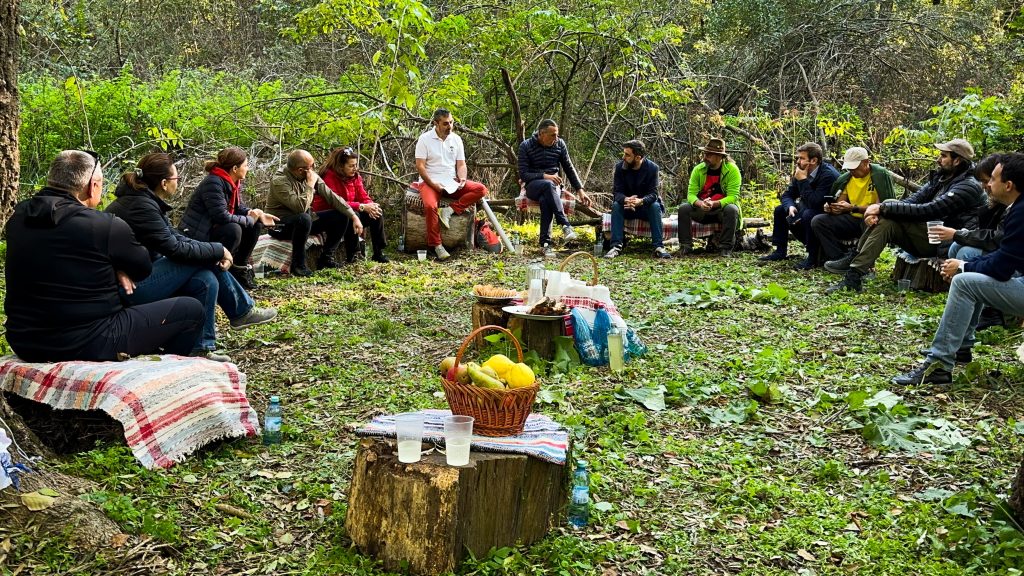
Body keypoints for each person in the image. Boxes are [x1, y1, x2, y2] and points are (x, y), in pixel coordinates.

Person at [4, 150, 204, 362]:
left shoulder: (17, 217)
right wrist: (117, 266)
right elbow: (143, 270)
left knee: (202, 281)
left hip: (24, 341)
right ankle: (163, 372)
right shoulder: (105, 225)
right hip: (91, 340)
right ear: (93, 186)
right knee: (191, 310)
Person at [106, 153, 278, 362]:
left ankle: (201, 347)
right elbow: (175, 248)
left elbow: (174, 236)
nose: (177, 183)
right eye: (176, 179)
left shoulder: (143, 201)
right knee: (205, 260)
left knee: (205, 279)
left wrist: (213, 249)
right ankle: (241, 311)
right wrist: (217, 251)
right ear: (164, 183)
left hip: (142, 275)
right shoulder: (141, 206)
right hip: (130, 288)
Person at [892, 152, 1024, 385]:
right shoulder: (1014, 206)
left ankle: (939, 365)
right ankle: (961, 345)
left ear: (1009, 184)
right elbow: (1002, 252)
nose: (988, 185)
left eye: (992, 179)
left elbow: (1002, 266)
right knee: (965, 258)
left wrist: (963, 267)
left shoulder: (1020, 212)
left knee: (964, 282)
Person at [826, 139, 985, 293]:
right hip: (930, 235)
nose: (938, 159)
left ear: (957, 161)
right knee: (888, 214)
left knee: (888, 212)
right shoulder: (942, 177)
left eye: (943, 156)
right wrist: (881, 209)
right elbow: (913, 200)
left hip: (946, 243)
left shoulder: (968, 186)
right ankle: (855, 272)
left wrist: (881, 208)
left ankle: (855, 265)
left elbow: (929, 210)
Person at [927, 153, 1009, 331]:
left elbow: (997, 239)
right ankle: (967, 312)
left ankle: (989, 313)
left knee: (966, 253)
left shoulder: (1011, 206)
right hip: (1000, 255)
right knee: (958, 248)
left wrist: (958, 239)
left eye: (989, 181)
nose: (985, 187)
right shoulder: (995, 203)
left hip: (1010, 264)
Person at [180, 147, 279, 289]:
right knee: (234, 229)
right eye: (245, 165)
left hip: (214, 229)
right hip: (199, 235)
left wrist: (258, 214)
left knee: (254, 226)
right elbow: (221, 216)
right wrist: (251, 218)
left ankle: (239, 270)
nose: (248, 169)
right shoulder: (213, 182)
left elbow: (238, 208)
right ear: (234, 168)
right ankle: (218, 270)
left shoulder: (231, 182)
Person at [267, 149, 364, 275]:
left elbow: (332, 197)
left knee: (340, 216)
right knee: (303, 218)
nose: (313, 169)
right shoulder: (280, 181)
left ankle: (326, 258)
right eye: (311, 166)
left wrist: (353, 216)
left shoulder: (307, 174)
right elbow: (299, 207)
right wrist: (310, 185)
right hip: (280, 224)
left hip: (304, 221)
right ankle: (298, 266)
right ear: (300, 170)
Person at [413, 108, 488, 261]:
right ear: (436, 123)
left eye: (451, 122)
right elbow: (420, 167)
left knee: (480, 189)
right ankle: (437, 245)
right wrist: (434, 185)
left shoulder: (456, 139)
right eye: (446, 123)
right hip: (430, 180)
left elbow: (461, 164)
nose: (450, 126)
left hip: (450, 181)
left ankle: (449, 211)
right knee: (430, 206)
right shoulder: (425, 139)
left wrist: (462, 179)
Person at [810, 147, 896, 266]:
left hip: (870, 218)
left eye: (854, 167)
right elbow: (840, 205)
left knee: (871, 222)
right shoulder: (847, 178)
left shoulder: (879, 175)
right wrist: (832, 209)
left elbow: (880, 208)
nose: (852, 170)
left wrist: (853, 208)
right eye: (849, 168)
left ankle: (865, 264)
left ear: (866, 162)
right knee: (818, 221)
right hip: (852, 219)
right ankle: (838, 258)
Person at [518, 119, 592, 257]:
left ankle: (545, 244)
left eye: (557, 135)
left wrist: (580, 190)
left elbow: (569, 168)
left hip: (553, 187)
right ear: (541, 134)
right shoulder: (526, 146)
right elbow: (524, 174)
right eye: (553, 135)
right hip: (533, 185)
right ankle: (565, 224)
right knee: (548, 184)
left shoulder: (560, 144)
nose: (556, 138)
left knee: (546, 200)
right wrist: (545, 176)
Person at [759, 142, 839, 269]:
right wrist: (790, 206)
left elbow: (815, 202)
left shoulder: (828, 175)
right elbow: (787, 195)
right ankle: (780, 251)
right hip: (808, 208)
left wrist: (802, 180)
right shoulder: (802, 171)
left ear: (813, 160)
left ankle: (813, 257)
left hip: (826, 215)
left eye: (801, 158)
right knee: (781, 210)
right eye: (798, 158)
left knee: (808, 214)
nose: (797, 161)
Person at [318, 146, 389, 263]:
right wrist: (361, 206)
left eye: (356, 165)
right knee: (352, 215)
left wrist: (371, 205)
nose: (355, 168)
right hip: (331, 213)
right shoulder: (329, 177)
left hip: (350, 208)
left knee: (376, 213)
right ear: (340, 166)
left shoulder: (355, 177)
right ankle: (353, 254)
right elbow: (337, 202)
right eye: (351, 166)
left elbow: (363, 196)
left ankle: (378, 252)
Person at [604, 140, 670, 259]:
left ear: (638, 157)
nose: (624, 157)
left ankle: (658, 247)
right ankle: (616, 246)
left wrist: (641, 201)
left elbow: (654, 194)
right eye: (624, 154)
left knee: (655, 206)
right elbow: (617, 192)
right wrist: (625, 199)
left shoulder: (652, 168)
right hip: (627, 207)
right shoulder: (620, 167)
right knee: (616, 205)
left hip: (645, 207)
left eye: (627, 155)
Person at [677, 138, 742, 257]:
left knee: (732, 209)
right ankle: (686, 246)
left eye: (709, 154)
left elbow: (733, 197)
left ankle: (725, 248)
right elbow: (690, 194)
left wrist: (714, 203)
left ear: (719, 156)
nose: (705, 157)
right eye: (705, 153)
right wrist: (700, 203)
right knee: (684, 208)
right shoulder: (698, 169)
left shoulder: (732, 170)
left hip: (720, 210)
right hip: (701, 210)